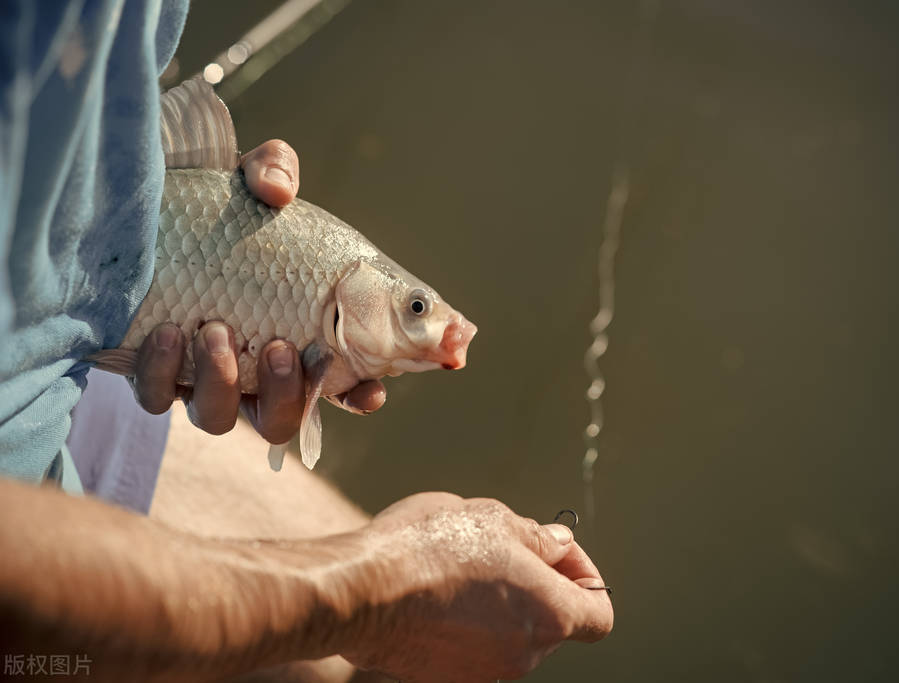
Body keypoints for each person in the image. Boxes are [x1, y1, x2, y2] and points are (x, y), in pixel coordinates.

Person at [0, 1, 613, 681]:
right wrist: (371, 598)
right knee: (354, 644)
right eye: (412, 306)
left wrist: (133, 163)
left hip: (55, 357)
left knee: (387, 641)